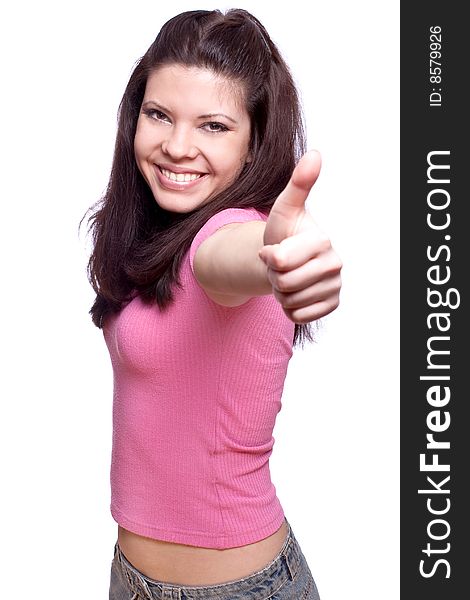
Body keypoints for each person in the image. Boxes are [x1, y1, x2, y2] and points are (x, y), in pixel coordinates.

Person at [85, 8, 342, 600]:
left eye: (214, 126)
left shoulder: (227, 233)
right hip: (130, 580)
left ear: (255, 143)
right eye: (159, 115)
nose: (178, 146)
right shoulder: (158, 243)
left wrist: (289, 259)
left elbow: (242, 255)